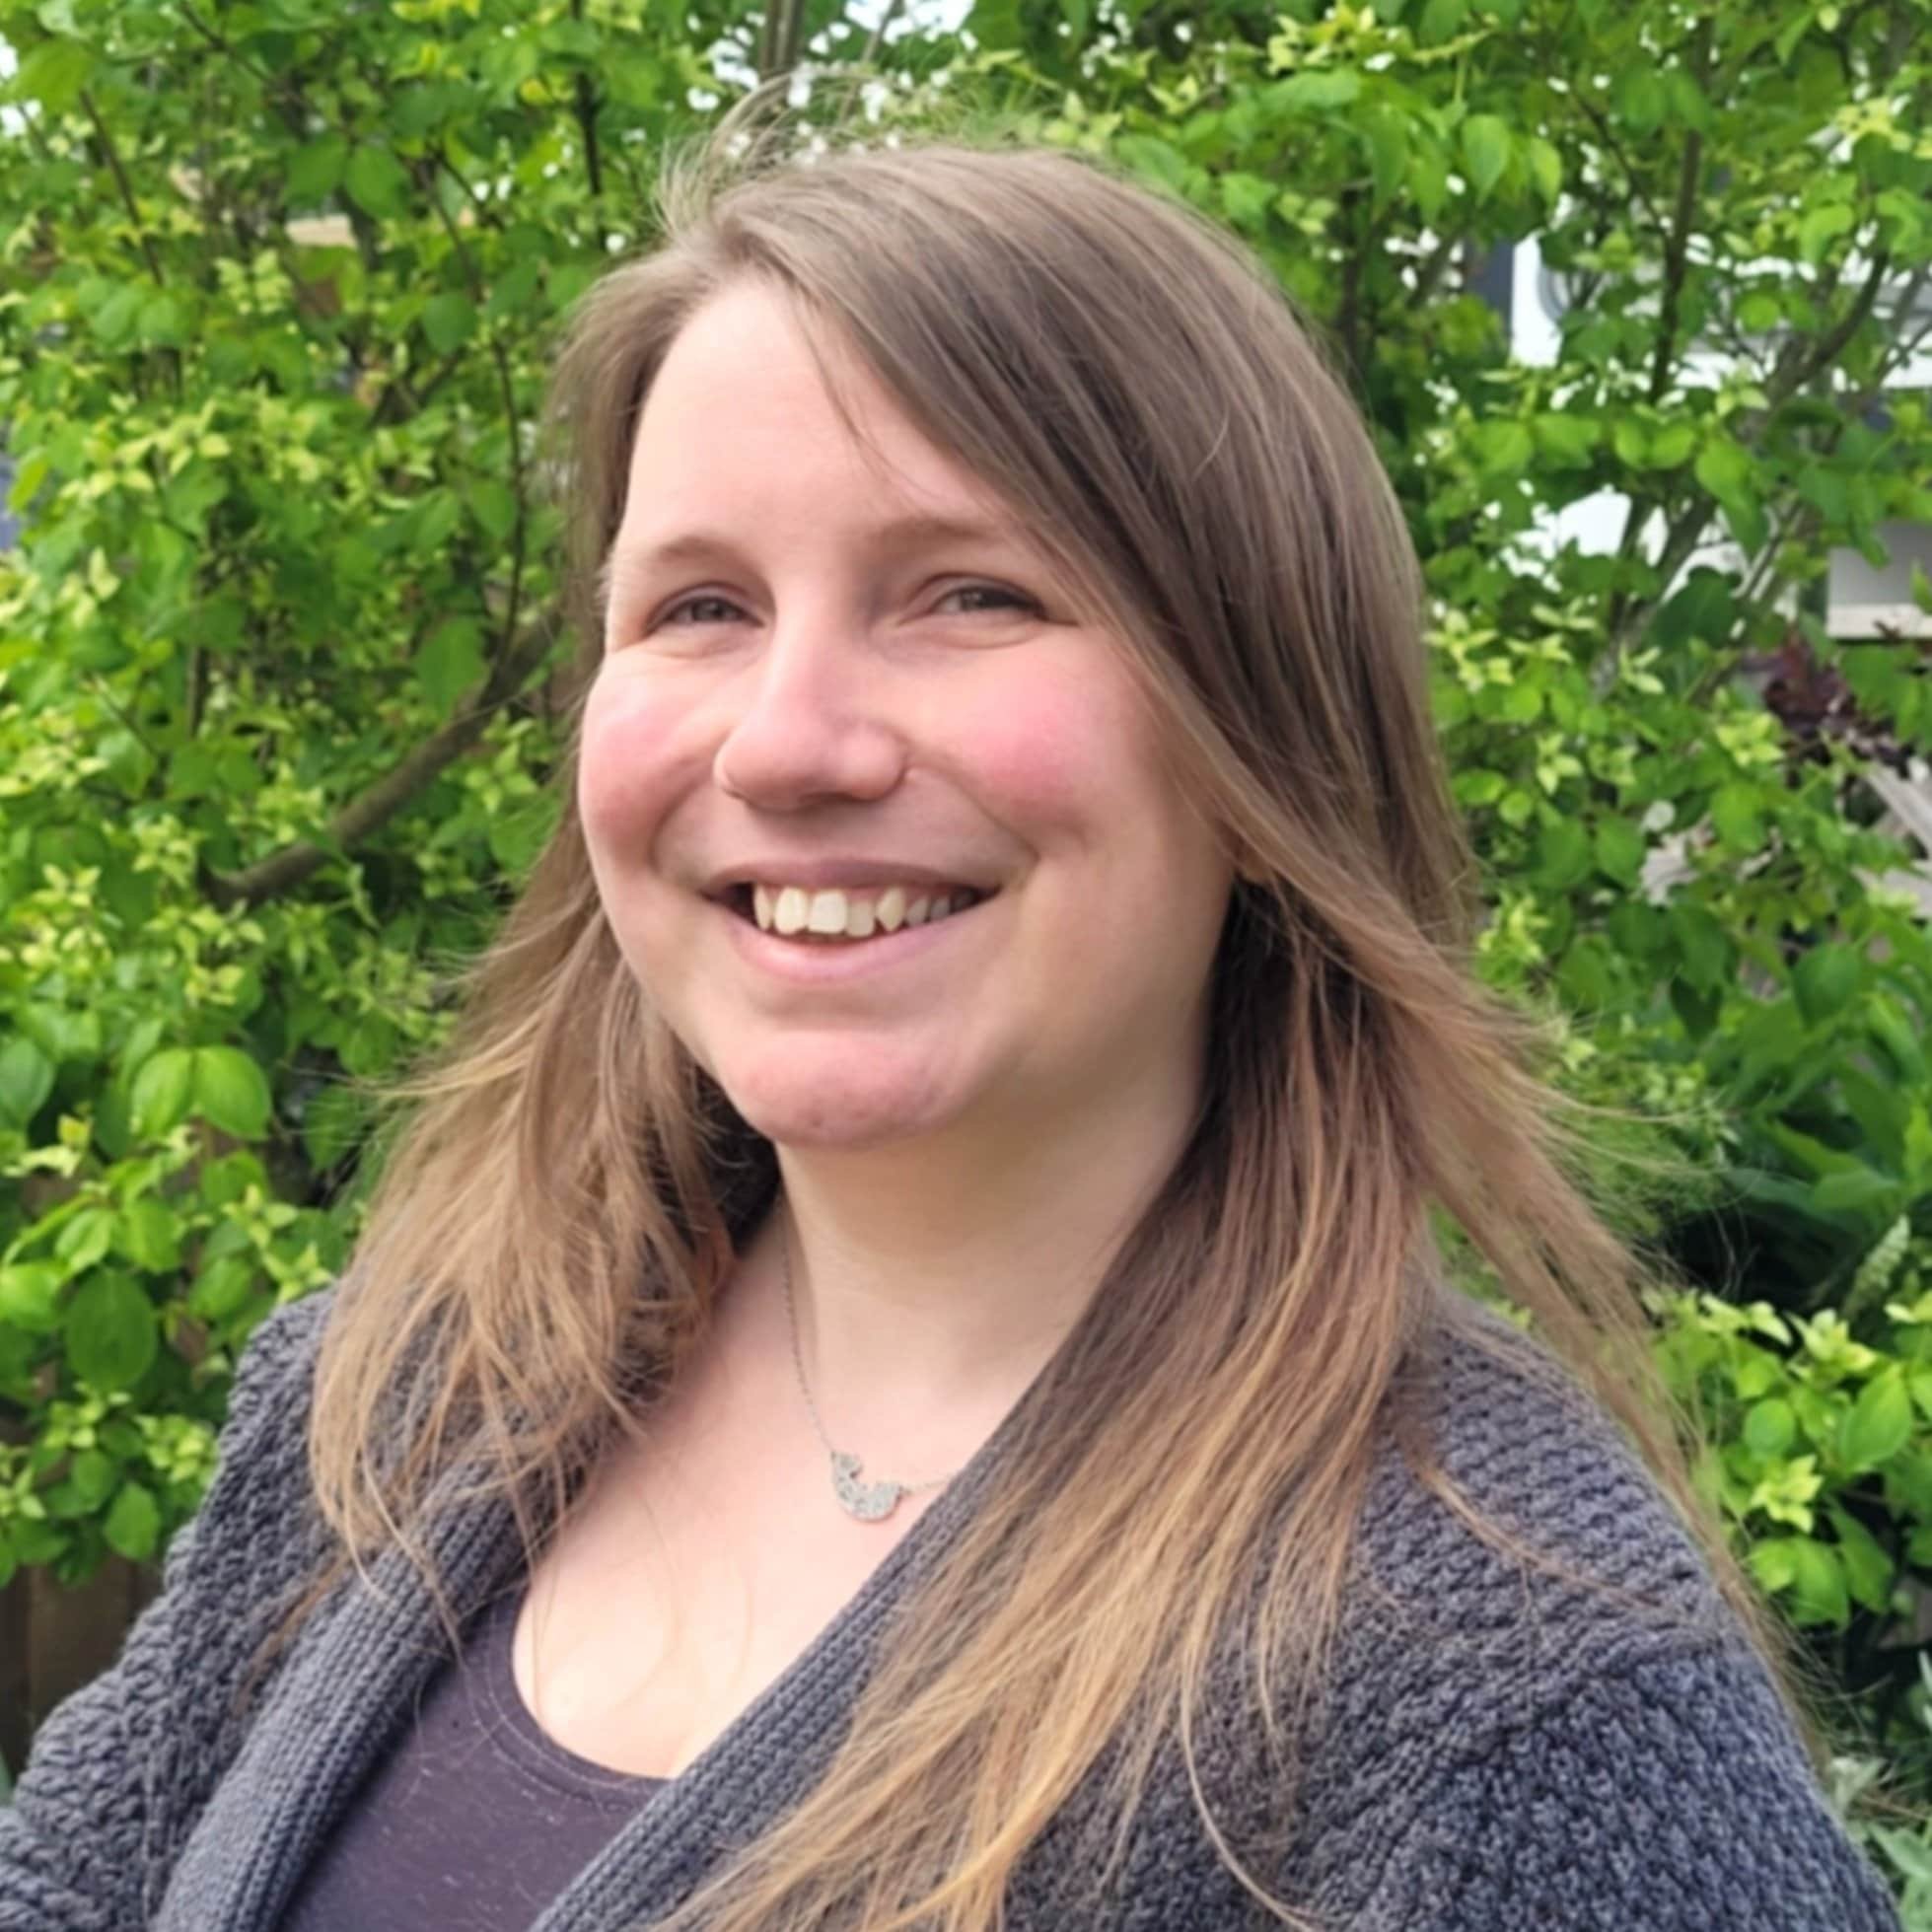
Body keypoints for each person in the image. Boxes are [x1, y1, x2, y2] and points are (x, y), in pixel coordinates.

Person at [0, 123, 1903, 1932]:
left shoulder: (1516, 1688)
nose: (786, 742)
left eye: (972, 593)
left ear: (1259, 742)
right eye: (700, 607)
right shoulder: (396, 1400)